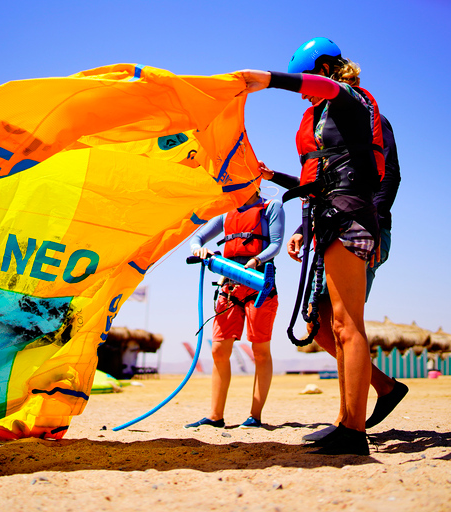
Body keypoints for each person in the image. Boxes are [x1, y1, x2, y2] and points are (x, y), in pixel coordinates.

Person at [239, 37, 388, 455]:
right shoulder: (324, 115)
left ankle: (354, 433)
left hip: (349, 212)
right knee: (333, 326)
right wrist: (276, 178)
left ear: (322, 68)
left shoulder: (349, 98)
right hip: (328, 213)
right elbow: (314, 179)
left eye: (307, 81)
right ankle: (346, 422)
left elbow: (330, 90)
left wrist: (266, 80)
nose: (304, 92)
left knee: (346, 324)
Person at [184, 188, 284, 429]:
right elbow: (195, 239)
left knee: (260, 351)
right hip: (228, 287)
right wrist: (200, 249)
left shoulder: (271, 207)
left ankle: (255, 417)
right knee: (219, 349)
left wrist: (256, 260)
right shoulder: (226, 213)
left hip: (260, 286)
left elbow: (276, 245)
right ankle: (215, 416)